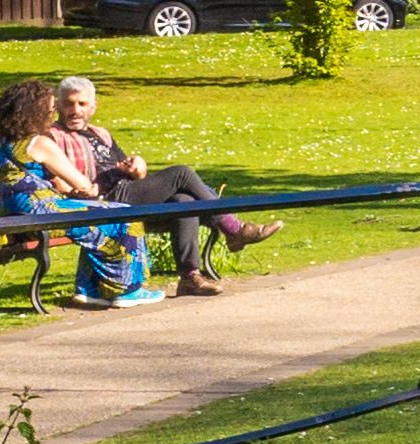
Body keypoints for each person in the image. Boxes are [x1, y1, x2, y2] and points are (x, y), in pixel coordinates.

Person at [45, 74, 280, 294]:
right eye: (69, 104)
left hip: (126, 191)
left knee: (183, 201)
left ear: (93, 107)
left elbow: (132, 173)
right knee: (181, 173)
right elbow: (52, 179)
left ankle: (189, 277)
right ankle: (233, 228)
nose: (75, 110)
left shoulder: (101, 134)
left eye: (82, 104)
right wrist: (73, 191)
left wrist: (138, 167)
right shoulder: (53, 136)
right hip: (102, 200)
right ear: (59, 106)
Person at [0, 76, 159, 307]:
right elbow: (83, 185)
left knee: (99, 218)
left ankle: (89, 289)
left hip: (13, 220)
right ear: (34, 113)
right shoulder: (38, 143)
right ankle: (126, 290)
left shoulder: (1, 145)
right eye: (50, 110)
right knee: (125, 215)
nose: (53, 114)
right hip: (42, 215)